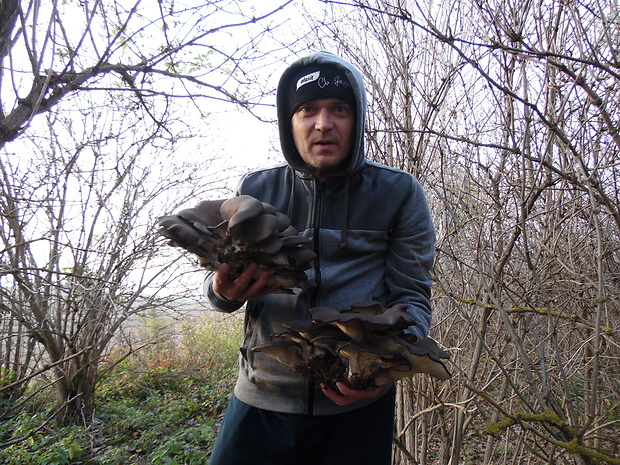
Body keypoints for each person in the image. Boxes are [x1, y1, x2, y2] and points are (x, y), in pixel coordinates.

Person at [203, 51, 435, 465]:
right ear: (289, 122)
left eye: (339, 110)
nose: (323, 124)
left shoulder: (398, 193)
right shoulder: (257, 190)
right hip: (261, 399)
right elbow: (221, 279)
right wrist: (221, 291)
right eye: (307, 110)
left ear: (357, 119)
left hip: (356, 410)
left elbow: (413, 298)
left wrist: (386, 370)